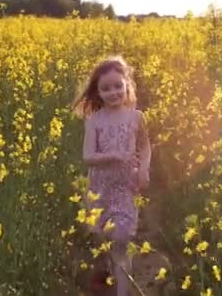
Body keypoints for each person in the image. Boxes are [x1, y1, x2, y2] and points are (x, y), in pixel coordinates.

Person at [73, 55, 151, 296]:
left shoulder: (137, 116)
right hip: (101, 188)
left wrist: (145, 169)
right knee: (104, 237)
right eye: (105, 88)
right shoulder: (94, 121)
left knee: (121, 241)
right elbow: (88, 156)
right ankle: (106, 267)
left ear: (127, 84)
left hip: (125, 188)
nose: (113, 92)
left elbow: (146, 146)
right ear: (97, 92)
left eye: (118, 85)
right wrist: (115, 155)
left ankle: (122, 291)